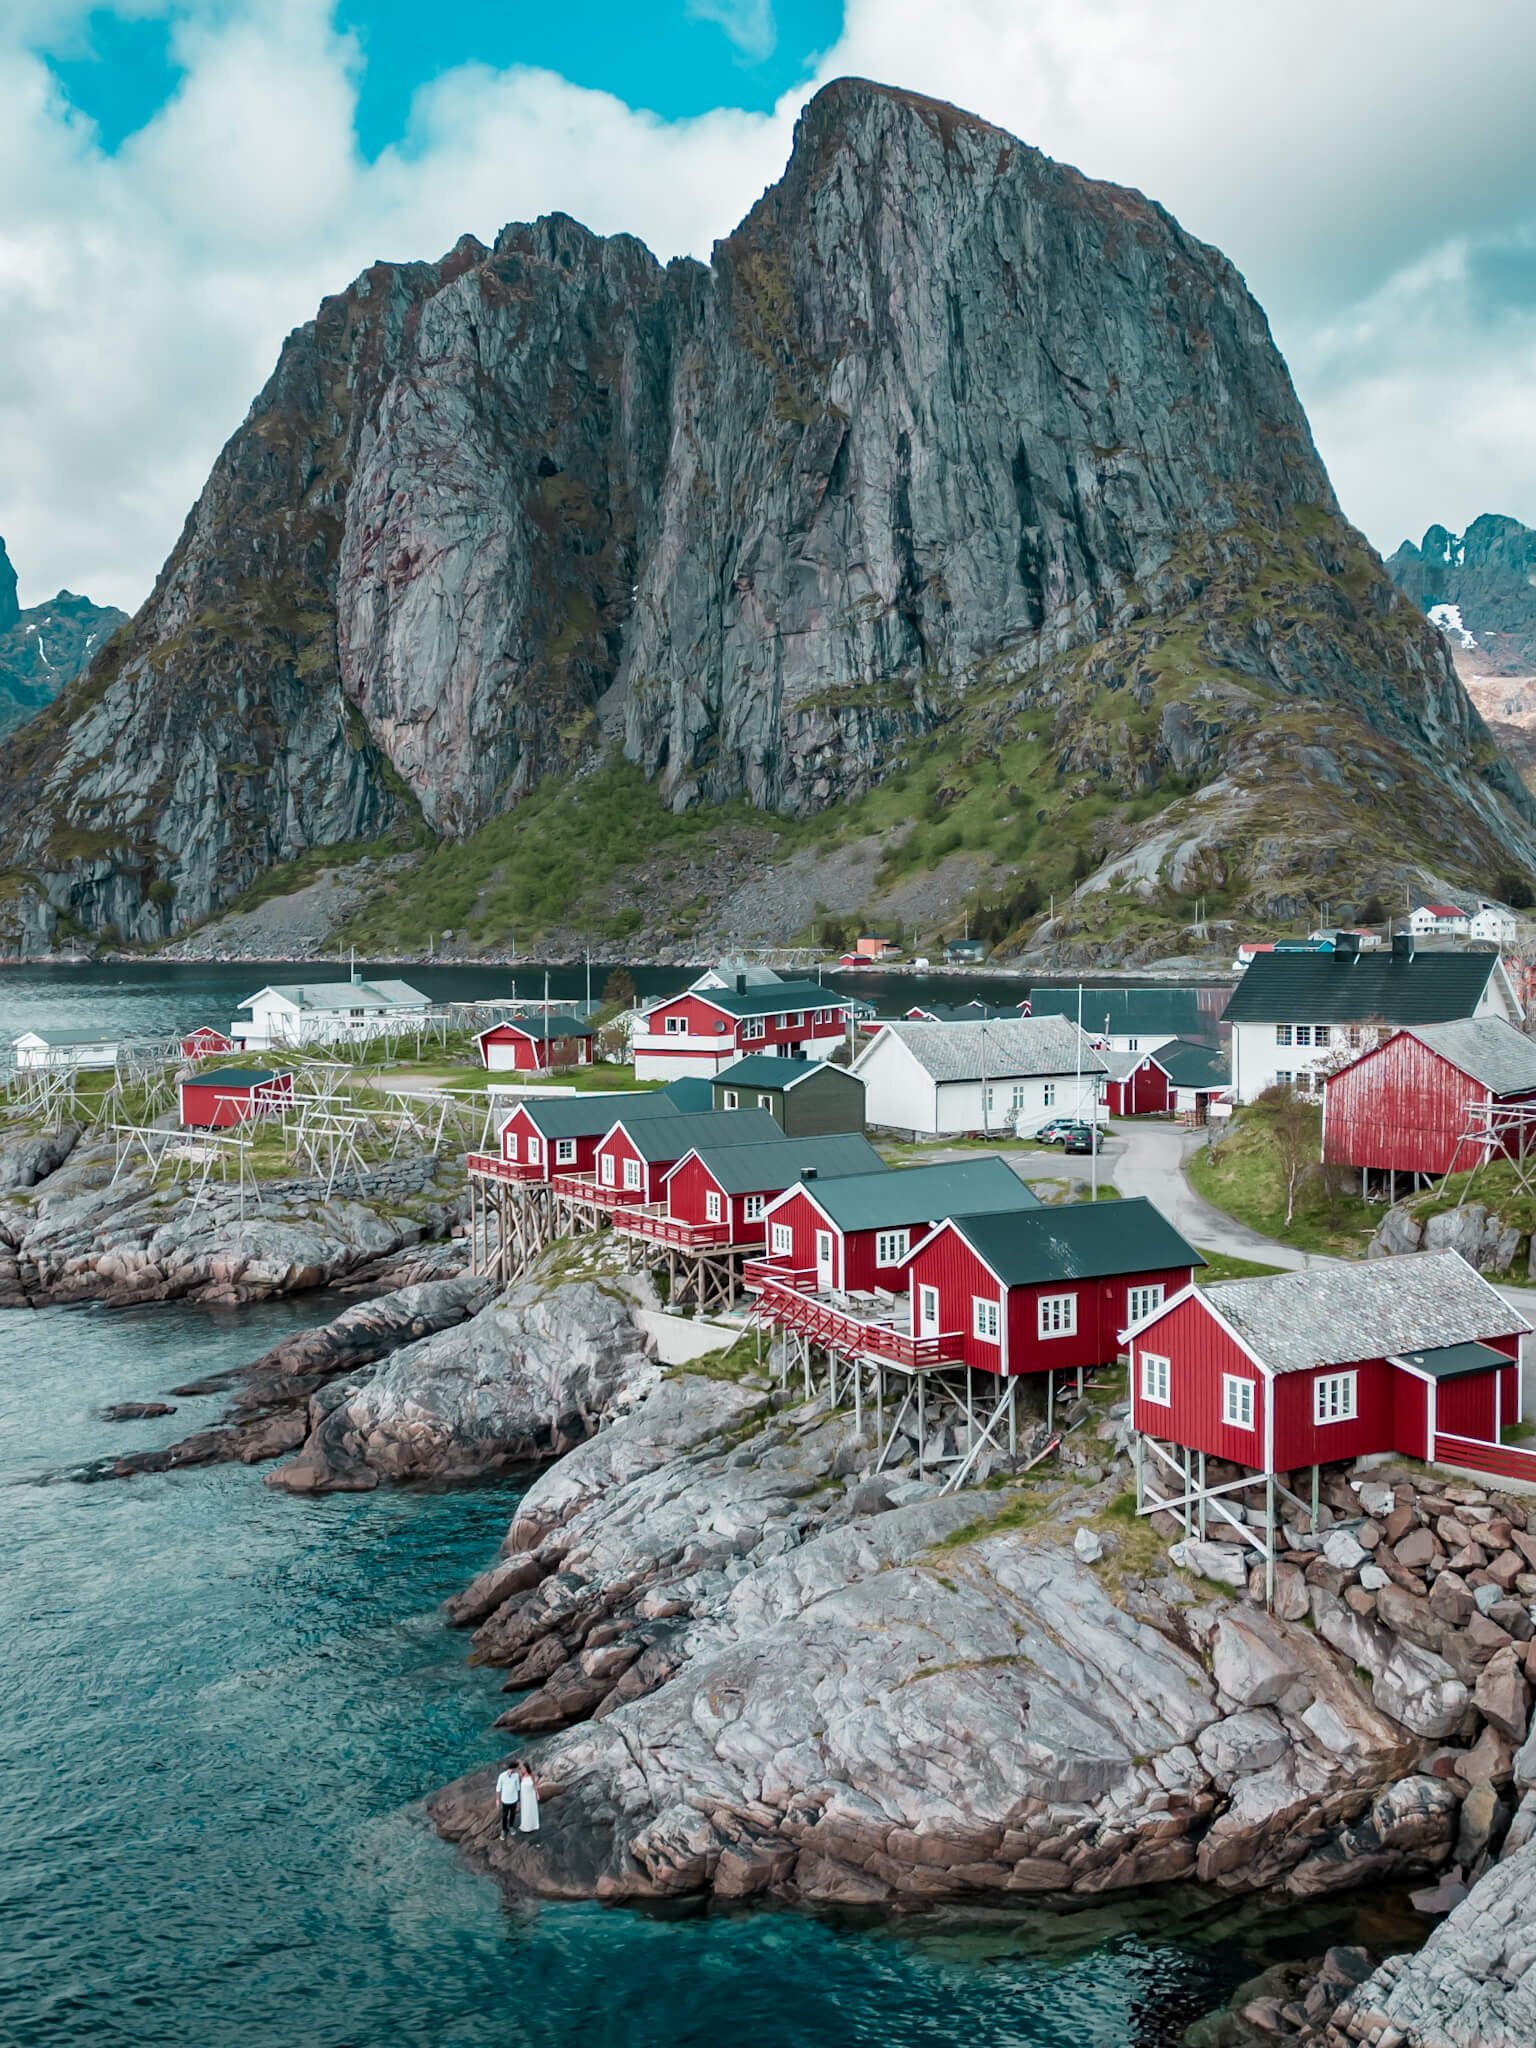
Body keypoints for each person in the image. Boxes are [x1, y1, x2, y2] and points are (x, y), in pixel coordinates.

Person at [495, 1762, 520, 1839]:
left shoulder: (516, 1775)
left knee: (513, 1814)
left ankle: (511, 1826)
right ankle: (503, 1829)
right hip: (505, 1800)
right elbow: (498, 1788)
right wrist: (497, 1799)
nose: (512, 1770)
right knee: (504, 1816)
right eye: (511, 1769)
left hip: (514, 1799)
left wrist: (518, 1798)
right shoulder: (502, 1776)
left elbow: (518, 1787)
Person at [516, 1760, 541, 1836]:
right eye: (522, 1768)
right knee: (525, 1810)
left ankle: (533, 1825)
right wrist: (519, 1763)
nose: (523, 1769)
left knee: (531, 1810)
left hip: (531, 1795)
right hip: (524, 1796)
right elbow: (518, 1769)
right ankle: (526, 1826)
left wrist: (537, 1794)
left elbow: (535, 1785)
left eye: (524, 1768)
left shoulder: (531, 1775)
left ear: (527, 1768)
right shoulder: (521, 1776)